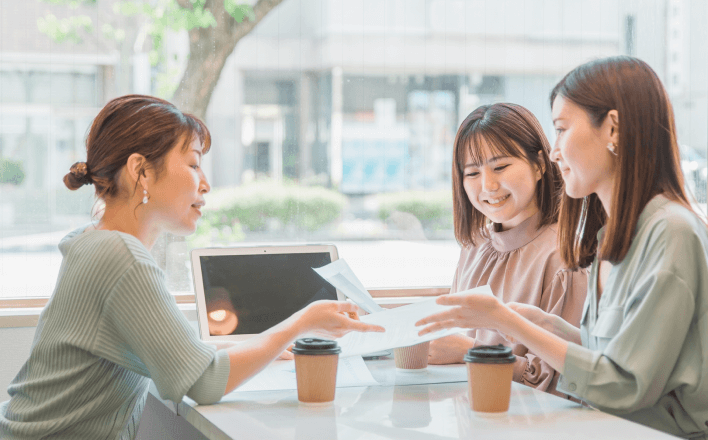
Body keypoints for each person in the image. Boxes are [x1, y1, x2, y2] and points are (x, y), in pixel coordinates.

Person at [0, 95, 384, 440]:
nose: (205, 185)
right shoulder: (119, 256)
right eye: (194, 165)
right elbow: (204, 381)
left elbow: (177, 353)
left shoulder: (94, 241)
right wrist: (302, 323)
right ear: (142, 172)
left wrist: (262, 344)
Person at [417, 56, 708, 439]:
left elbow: (623, 385)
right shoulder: (615, 235)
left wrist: (508, 323)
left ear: (613, 129)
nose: (554, 152)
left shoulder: (670, 233)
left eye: (561, 129)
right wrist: (537, 320)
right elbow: (609, 351)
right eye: (471, 173)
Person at [428, 103, 587, 397]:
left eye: (500, 167)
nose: (488, 186)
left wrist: (471, 352)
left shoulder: (564, 258)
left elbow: (562, 385)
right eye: (472, 173)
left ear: (540, 164)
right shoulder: (474, 247)